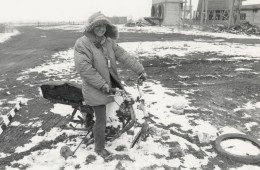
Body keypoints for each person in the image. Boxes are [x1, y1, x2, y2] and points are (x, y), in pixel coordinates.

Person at [74, 11, 147, 159]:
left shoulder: (108, 42)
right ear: (91, 27)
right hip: (95, 87)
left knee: (123, 106)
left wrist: (140, 70)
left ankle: (107, 127)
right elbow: (85, 69)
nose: (101, 29)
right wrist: (102, 85)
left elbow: (124, 56)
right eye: (97, 26)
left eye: (103, 26)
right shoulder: (82, 44)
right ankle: (99, 148)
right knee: (101, 119)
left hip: (110, 85)